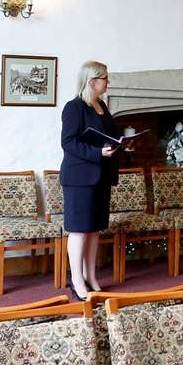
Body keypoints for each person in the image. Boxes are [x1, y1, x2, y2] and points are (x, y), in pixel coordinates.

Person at [59, 60, 119, 300]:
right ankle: (76, 280)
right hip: (79, 177)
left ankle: (91, 276)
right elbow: (68, 142)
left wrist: (123, 145)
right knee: (79, 230)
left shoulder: (101, 105)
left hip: (101, 176)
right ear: (92, 80)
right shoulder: (74, 107)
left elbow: (110, 135)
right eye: (105, 77)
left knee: (94, 230)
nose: (108, 81)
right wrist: (97, 153)